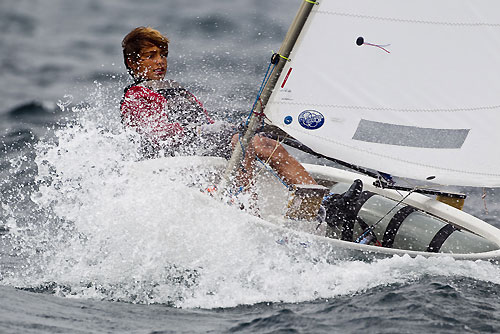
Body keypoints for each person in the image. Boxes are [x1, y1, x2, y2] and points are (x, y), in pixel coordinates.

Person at [120, 26, 318, 194]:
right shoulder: (136, 95)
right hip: (169, 159)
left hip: (197, 146)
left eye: (163, 55)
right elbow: (155, 134)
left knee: (264, 142)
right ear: (132, 62)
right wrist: (202, 131)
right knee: (244, 141)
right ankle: (246, 206)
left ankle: (320, 202)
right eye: (150, 56)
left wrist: (224, 128)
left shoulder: (175, 89)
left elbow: (205, 123)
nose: (160, 61)